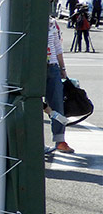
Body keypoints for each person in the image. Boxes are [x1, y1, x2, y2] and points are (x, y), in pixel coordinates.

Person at [46, 15, 73, 154]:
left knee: (57, 103)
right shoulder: (29, 20)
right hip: (34, 69)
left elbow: (57, 46)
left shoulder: (52, 23)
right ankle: (36, 142)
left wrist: (62, 68)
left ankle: (60, 140)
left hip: (52, 66)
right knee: (33, 104)